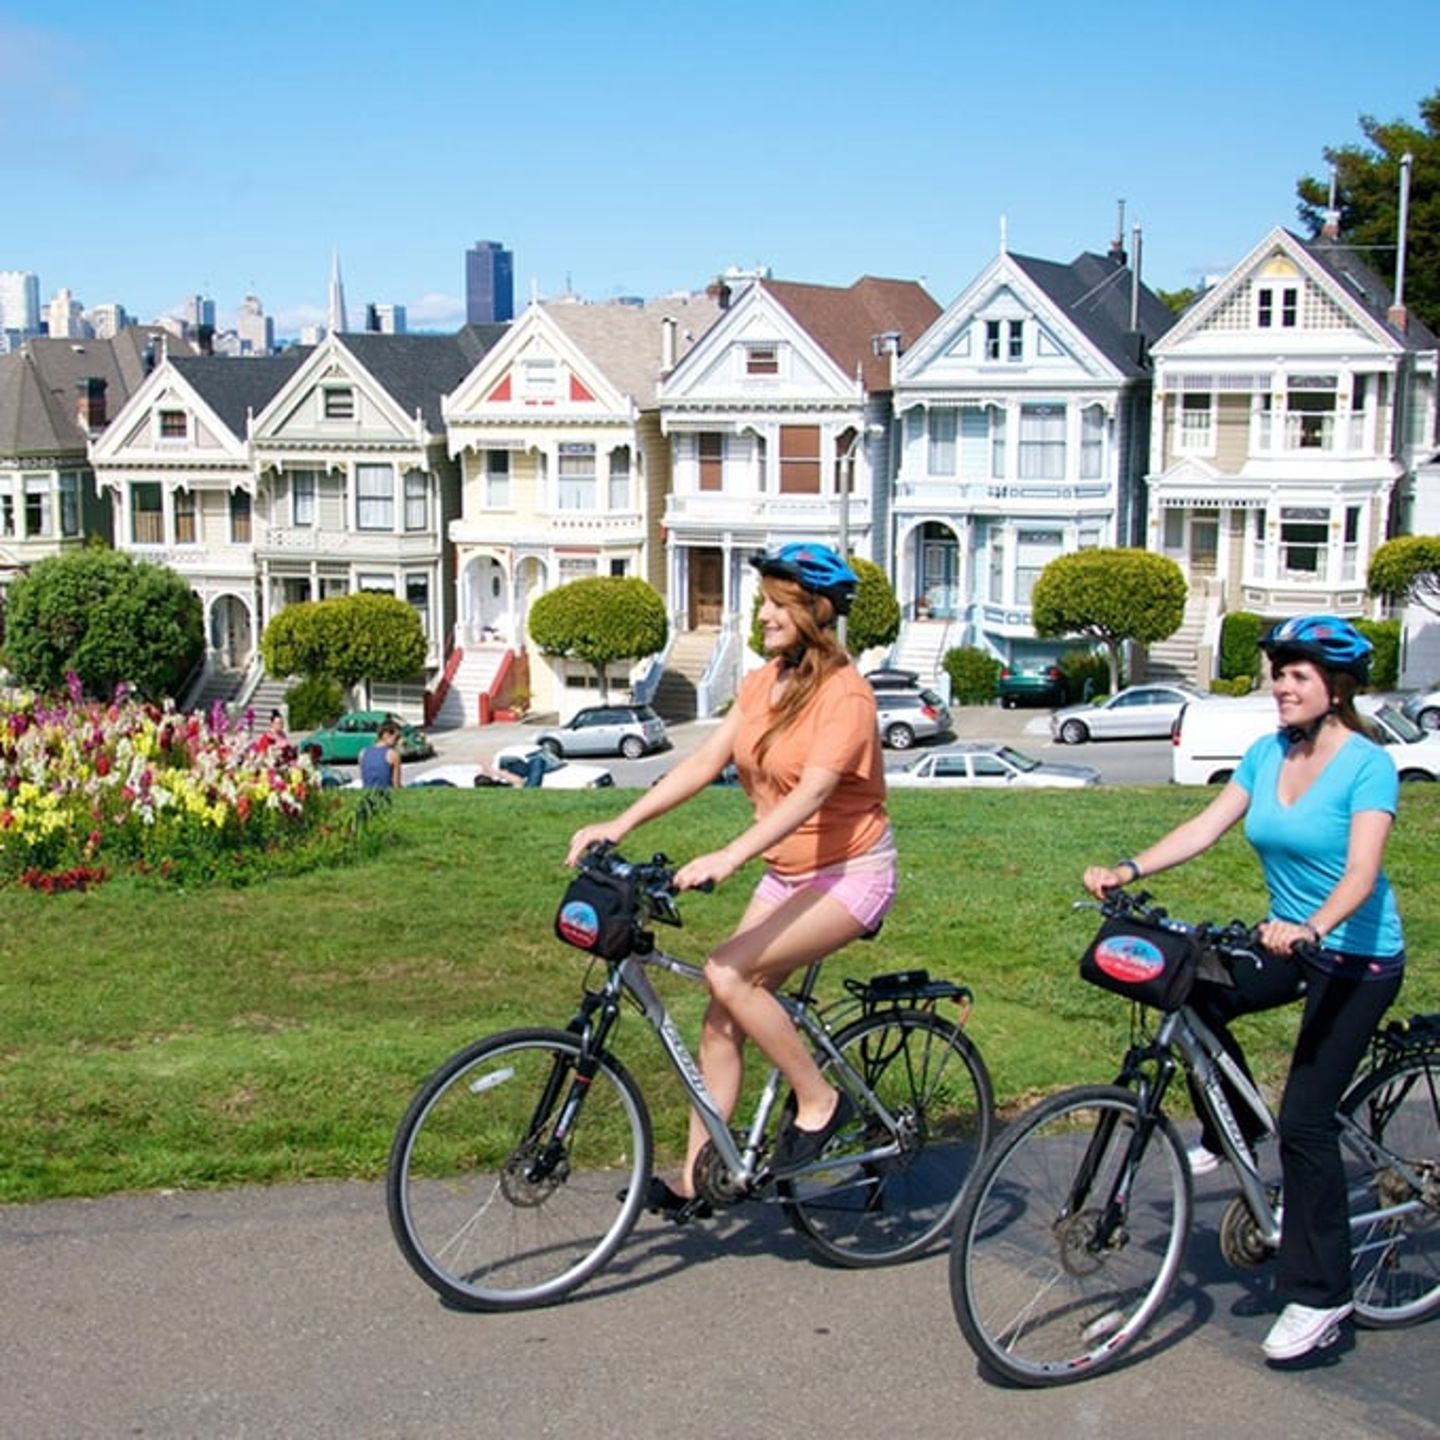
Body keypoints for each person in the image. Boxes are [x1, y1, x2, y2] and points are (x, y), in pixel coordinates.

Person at [1082, 615, 1404, 1364]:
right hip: (1286, 940)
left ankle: (1321, 1297)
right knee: (1190, 986)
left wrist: (1313, 926)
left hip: (1355, 957)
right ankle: (1234, 1132)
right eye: (1278, 673)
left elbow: (1362, 873)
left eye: (1298, 675)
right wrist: (1127, 869)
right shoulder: (1266, 754)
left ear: (1336, 687)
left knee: (1307, 1122)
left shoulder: (1368, 765)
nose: (1281, 685)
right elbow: (1206, 827)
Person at [566, 543, 896, 1223]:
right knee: (721, 1014)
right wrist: (619, 824)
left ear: (818, 611)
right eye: (764, 603)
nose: (764, 616)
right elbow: (702, 763)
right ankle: (701, 1179)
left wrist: (731, 856)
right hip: (789, 873)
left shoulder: (847, 696)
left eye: (779, 605)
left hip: (850, 876)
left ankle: (820, 1101)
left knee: (727, 971)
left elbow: (812, 794)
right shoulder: (762, 683)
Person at [359, 721, 403, 789]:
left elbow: (365, 778)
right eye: (397, 738)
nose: (397, 742)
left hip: (368, 791)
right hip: (386, 792)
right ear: (386, 735)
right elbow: (396, 785)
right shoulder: (393, 754)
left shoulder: (363, 752)